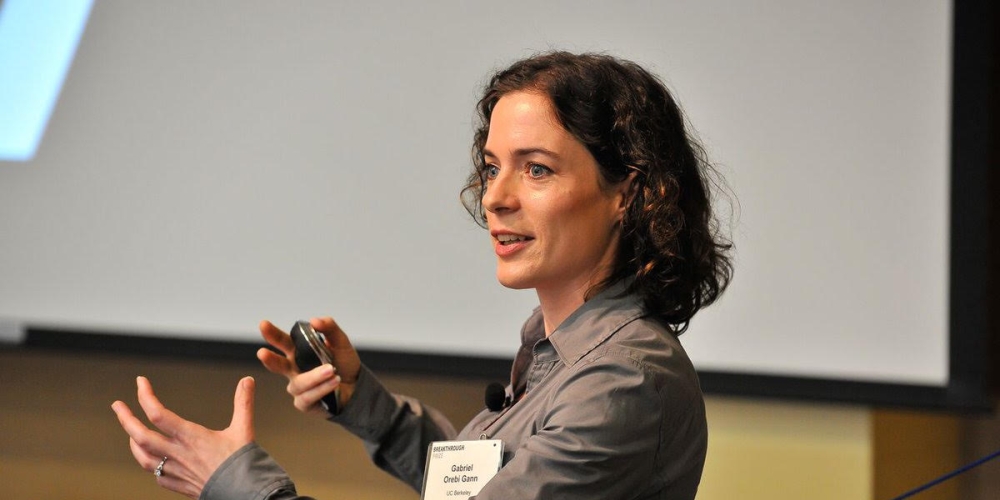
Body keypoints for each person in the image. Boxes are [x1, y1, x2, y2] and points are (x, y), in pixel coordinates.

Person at [112, 51, 733, 500]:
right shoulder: (554, 352)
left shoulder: (622, 382)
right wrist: (363, 403)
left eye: (537, 169)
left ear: (628, 193)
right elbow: (478, 477)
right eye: (492, 168)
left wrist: (238, 484)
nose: (495, 198)